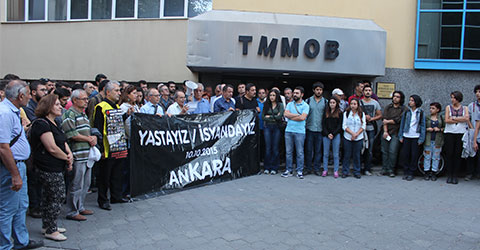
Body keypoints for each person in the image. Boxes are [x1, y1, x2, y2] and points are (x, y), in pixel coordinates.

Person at [0, 80, 44, 250]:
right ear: (20, 96)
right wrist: (15, 174)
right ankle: (5, 245)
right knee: (7, 208)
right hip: (10, 168)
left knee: (20, 206)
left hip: (19, 165)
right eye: (27, 94)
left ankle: (21, 241)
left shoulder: (13, 110)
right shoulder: (5, 113)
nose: (29, 97)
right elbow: (3, 148)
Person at [30, 94, 73, 241]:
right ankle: (51, 229)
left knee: (50, 197)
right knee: (56, 196)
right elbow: (51, 147)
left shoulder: (55, 123)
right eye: (56, 104)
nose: (60, 106)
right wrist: (67, 158)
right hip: (47, 167)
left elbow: (62, 141)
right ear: (48, 107)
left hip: (56, 165)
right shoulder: (41, 124)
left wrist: (69, 153)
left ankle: (48, 225)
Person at [93, 81, 130, 210]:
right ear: (108, 92)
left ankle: (116, 196)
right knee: (104, 176)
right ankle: (103, 200)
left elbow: (117, 123)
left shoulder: (116, 107)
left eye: (120, 91)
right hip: (107, 148)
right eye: (116, 91)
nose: (119, 93)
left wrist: (126, 115)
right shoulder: (101, 107)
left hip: (118, 147)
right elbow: (97, 128)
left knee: (117, 173)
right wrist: (101, 149)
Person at [61, 90, 96, 222]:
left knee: (85, 183)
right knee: (76, 184)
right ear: (75, 100)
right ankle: (72, 210)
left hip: (86, 154)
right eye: (84, 99)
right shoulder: (69, 115)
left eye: (87, 99)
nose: (87, 101)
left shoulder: (83, 114)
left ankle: (80, 207)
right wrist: (88, 139)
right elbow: (71, 134)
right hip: (77, 153)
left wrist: (92, 138)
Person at [282, 87, 309, 179]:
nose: (294, 95)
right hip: (288, 130)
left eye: (297, 93)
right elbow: (285, 114)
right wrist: (298, 115)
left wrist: (291, 116)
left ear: (302, 95)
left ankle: (299, 171)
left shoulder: (305, 105)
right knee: (288, 152)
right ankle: (288, 170)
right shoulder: (289, 104)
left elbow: (303, 118)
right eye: (294, 93)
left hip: (300, 132)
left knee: (300, 152)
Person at [444, 91, 470, 184]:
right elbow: (447, 120)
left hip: (460, 133)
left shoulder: (465, 108)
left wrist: (454, 118)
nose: (452, 100)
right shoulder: (448, 107)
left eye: (454, 98)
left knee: (457, 154)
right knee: (449, 153)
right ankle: (449, 174)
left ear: (458, 98)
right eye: (451, 97)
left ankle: (455, 175)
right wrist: (460, 118)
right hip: (449, 132)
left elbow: (467, 118)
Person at [398, 95, 426, 181]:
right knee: (405, 154)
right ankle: (406, 171)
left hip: (415, 136)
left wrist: (421, 138)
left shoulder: (420, 112)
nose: (410, 102)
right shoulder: (407, 112)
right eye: (410, 100)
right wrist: (401, 135)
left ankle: (411, 172)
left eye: (412, 100)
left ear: (416, 102)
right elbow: (402, 124)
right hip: (407, 135)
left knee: (414, 155)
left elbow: (422, 125)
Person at [381, 91, 405, 177]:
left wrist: (388, 121)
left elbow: (399, 120)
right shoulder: (388, 107)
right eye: (394, 96)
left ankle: (391, 169)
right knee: (385, 151)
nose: (395, 98)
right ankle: (384, 168)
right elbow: (384, 120)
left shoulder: (403, 109)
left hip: (396, 132)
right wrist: (385, 131)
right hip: (386, 131)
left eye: (397, 97)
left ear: (401, 98)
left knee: (392, 151)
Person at [304, 82, 326, 175]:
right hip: (309, 128)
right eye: (317, 89)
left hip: (320, 130)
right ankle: (308, 168)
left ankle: (316, 168)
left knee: (318, 151)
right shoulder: (308, 101)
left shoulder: (326, 102)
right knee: (308, 150)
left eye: (320, 90)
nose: (318, 91)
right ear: (313, 90)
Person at [360, 85, 382, 176]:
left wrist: (372, 119)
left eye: (369, 90)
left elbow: (380, 115)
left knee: (369, 149)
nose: (368, 92)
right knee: (360, 148)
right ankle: (358, 167)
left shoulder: (375, 103)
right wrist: (363, 117)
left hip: (371, 129)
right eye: (366, 90)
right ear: (363, 92)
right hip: (360, 129)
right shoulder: (359, 102)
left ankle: (367, 168)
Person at [342, 98, 366, 179]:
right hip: (348, 137)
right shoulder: (346, 113)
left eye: (355, 104)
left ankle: (357, 171)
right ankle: (345, 171)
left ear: (358, 105)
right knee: (347, 155)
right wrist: (352, 134)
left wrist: (356, 134)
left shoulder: (361, 114)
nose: (353, 105)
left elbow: (363, 126)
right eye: (351, 104)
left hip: (358, 137)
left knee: (357, 155)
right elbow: (344, 126)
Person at [262, 89, 284, 175]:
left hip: (277, 127)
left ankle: (275, 167)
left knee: (275, 148)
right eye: (270, 95)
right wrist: (274, 116)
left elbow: (280, 117)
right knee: (268, 148)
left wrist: (269, 116)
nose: (272, 97)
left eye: (274, 95)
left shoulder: (280, 105)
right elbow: (263, 117)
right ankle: (267, 167)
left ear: (277, 96)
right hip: (267, 127)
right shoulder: (266, 104)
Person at [322, 97, 343, 178]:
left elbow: (339, 125)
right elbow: (323, 124)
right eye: (330, 102)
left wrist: (333, 134)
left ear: (336, 103)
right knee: (326, 153)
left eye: (333, 102)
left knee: (336, 154)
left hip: (336, 134)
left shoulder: (339, 113)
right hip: (326, 135)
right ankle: (325, 170)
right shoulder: (326, 112)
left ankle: (336, 170)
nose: (332, 104)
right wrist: (327, 134)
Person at [423, 102, 444, 181]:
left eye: (433, 108)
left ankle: (434, 172)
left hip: (437, 140)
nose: (431, 110)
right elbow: (422, 127)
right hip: (428, 140)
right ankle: (426, 172)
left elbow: (445, 128)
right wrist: (427, 129)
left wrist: (439, 129)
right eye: (430, 108)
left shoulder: (441, 118)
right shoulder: (427, 117)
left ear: (438, 110)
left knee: (436, 157)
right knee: (427, 156)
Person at [466, 85, 480, 181]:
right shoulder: (472, 105)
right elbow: (468, 118)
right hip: (473, 131)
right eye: (477, 92)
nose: (478, 94)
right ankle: (470, 173)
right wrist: (472, 128)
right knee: (472, 153)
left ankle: (478, 173)